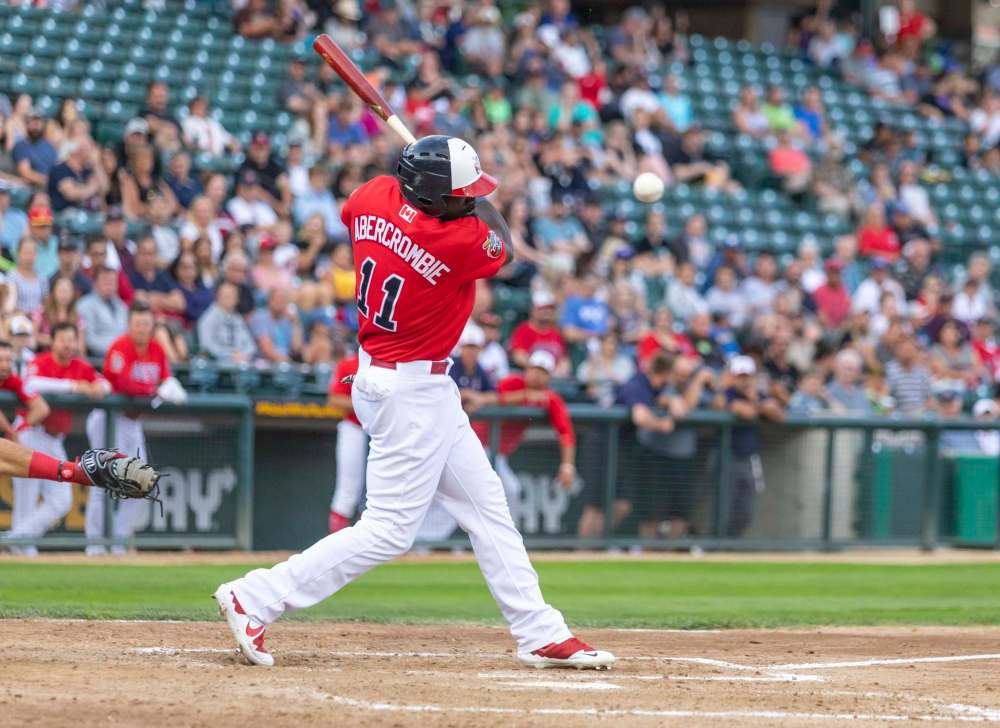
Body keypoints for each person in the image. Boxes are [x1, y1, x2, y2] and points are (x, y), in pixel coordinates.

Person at [214, 134, 614, 671]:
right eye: (460, 195)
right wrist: (469, 197)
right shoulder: (454, 242)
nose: (469, 200)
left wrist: (434, 183)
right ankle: (256, 596)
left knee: (487, 508)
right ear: (429, 194)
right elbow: (505, 245)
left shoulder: (373, 194)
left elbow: (373, 200)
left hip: (402, 380)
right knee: (388, 530)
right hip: (409, 392)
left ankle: (538, 630)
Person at [84, 302, 184, 555]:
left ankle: (117, 542)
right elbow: (121, 382)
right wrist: (154, 390)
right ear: (129, 324)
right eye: (138, 324)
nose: (142, 329)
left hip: (131, 422)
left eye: (146, 324)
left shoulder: (156, 349)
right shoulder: (120, 347)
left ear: (152, 326)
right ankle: (95, 546)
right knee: (101, 480)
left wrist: (170, 384)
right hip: (108, 418)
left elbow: (164, 376)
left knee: (142, 482)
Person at [9, 324, 110, 554]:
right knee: (27, 498)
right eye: (62, 339)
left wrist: (97, 388)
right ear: (52, 341)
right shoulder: (41, 361)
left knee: (62, 499)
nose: (67, 344)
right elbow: (31, 383)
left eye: (71, 339)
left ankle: (16, 538)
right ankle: (22, 548)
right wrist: (74, 387)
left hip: (54, 439)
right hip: (30, 432)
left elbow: (105, 384)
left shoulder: (79, 365)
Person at [714, 355, 784, 537]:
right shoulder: (726, 393)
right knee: (723, 506)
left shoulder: (757, 395)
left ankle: (732, 545)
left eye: (747, 376)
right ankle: (717, 546)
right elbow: (746, 412)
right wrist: (757, 405)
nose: (744, 380)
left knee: (746, 510)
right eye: (740, 376)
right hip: (727, 456)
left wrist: (756, 401)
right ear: (731, 375)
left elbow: (778, 414)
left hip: (749, 458)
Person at [196, 282, 256, 364]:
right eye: (226, 296)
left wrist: (244, 355)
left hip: (241, 361)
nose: (230, 298)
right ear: (217, 297)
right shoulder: (208, 318)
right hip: (216, 364)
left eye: (233, 296)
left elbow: (250, 345)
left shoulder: (237, 317)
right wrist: (230, 355)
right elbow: (207, 346)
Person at [76, 267, 128, 355]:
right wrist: (116, 348)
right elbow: (89, 339)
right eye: (105, 282)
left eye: (112, 282)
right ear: (96, 284)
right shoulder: (84, 305)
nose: (109, 285)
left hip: (123, 354)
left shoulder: (122, 305)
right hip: (98, 359)